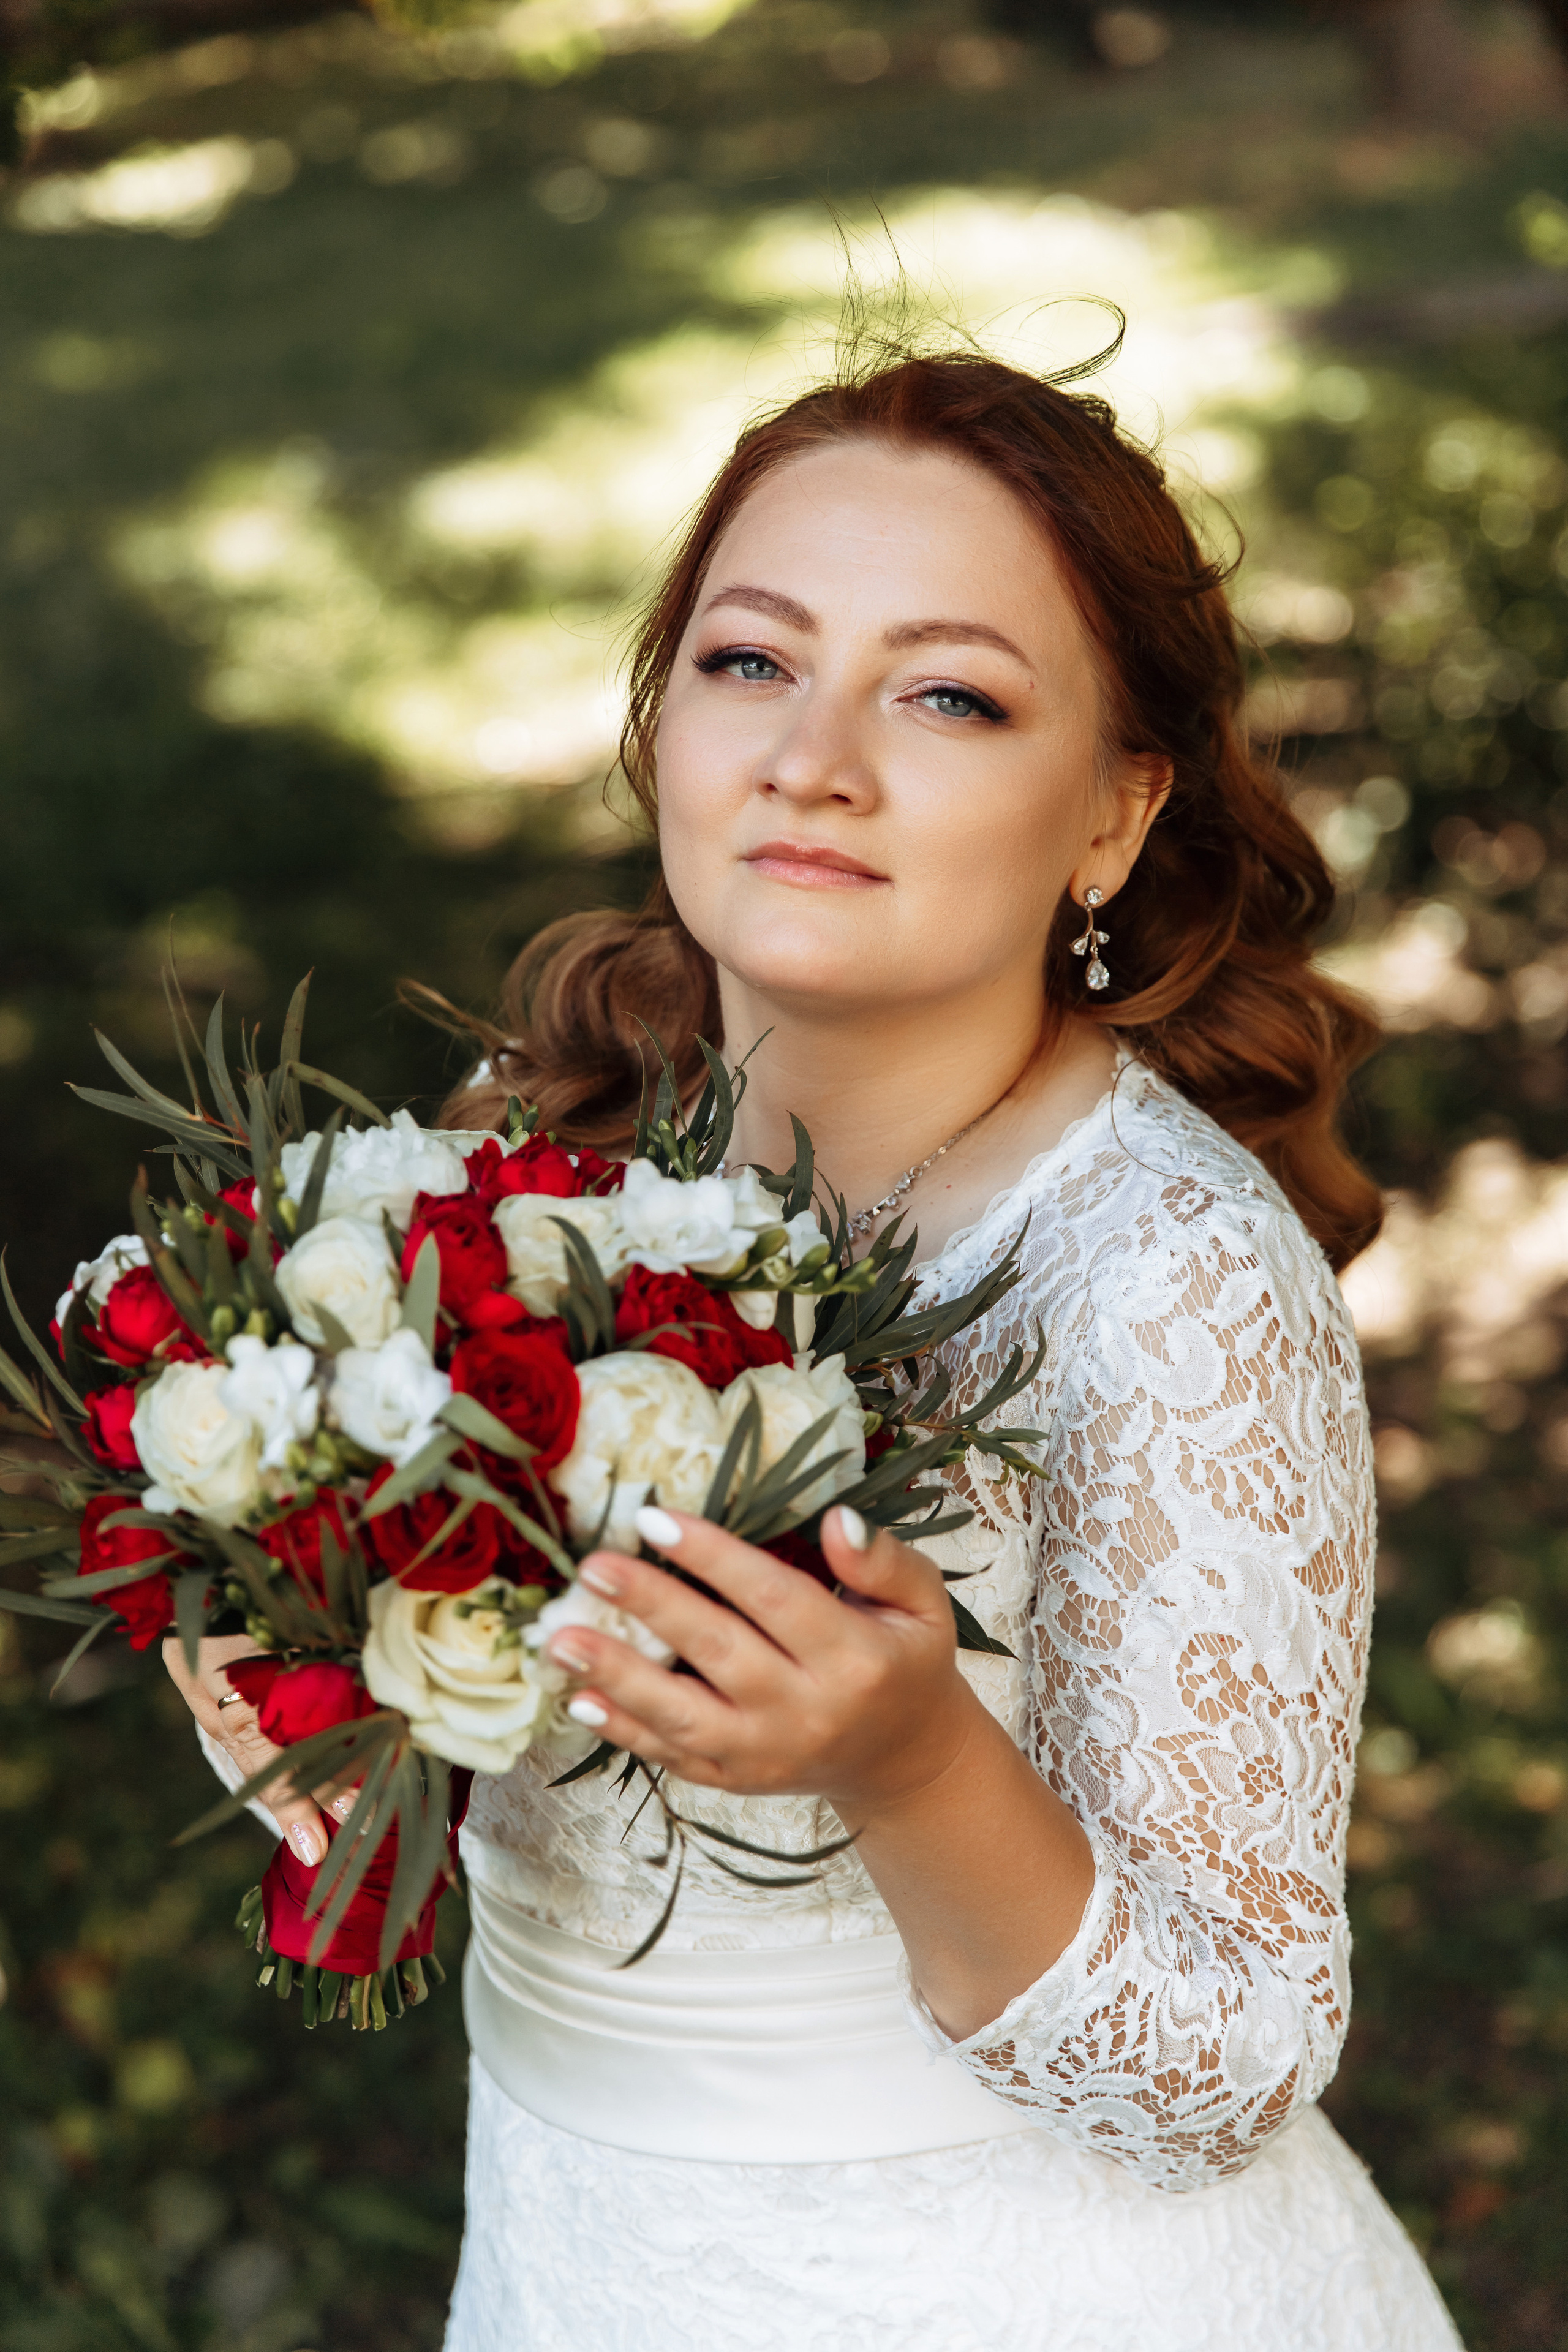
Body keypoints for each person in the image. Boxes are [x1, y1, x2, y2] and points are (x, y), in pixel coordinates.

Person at [175, 341, 1464, 2350]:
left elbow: (1227, 2068)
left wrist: (911, 1754)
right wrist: (318, 1628)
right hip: (582, 2256)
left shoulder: (1169, 1285)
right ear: (660, 714)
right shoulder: (527, 1167)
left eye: (949, 694)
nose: (816, 758)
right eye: (751, 662)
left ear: (1116, 813)